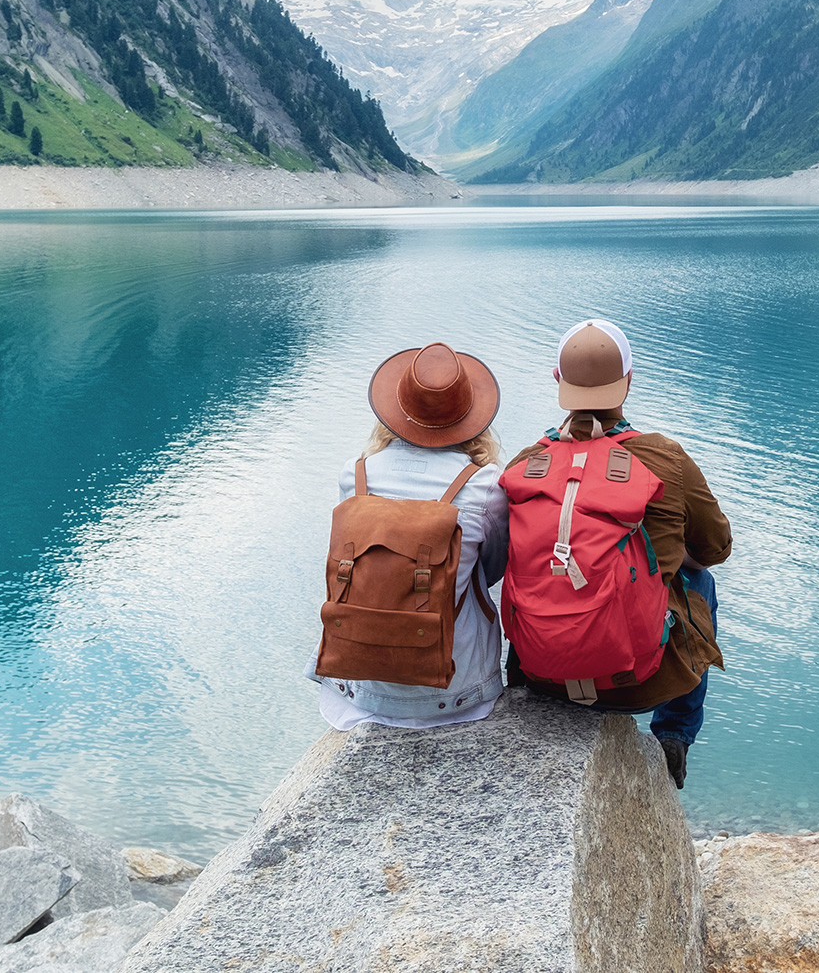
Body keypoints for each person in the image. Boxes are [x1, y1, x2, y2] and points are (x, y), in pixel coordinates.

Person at [506, 320, 731, 787]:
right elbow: (715, 549)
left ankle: (521, 689)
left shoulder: (525, 466)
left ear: (557, 381)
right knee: (700, 582)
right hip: (637, 681)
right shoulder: (665, 457)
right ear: (629, 380)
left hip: (542, 676)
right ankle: (674, 734)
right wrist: (673, 556)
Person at [308, 342, 510, 729]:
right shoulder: (485, 485)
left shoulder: (356, 474)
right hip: (454, 694)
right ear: (470, 419)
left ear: (396, 414)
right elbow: (494, 567)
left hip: (356, 689)